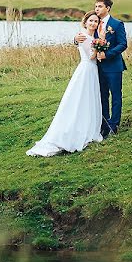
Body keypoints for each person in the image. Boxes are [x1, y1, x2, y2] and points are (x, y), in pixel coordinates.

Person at [26, 13, 104, 157]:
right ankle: (75, 132)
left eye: (96, 21)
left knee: (89, 99)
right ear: (85, 22)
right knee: (80, 99)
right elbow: (92, 56)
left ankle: (88, 126)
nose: (93, 23)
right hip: (86, 70)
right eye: (91, 21)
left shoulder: (93, 38)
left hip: (92, 71)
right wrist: (101, 45)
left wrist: (99, 43)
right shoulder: (84, 37)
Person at [74, 0, 127, 137]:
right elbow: (86, 37)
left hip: (114, 66)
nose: (97, 9)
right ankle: (104, 124)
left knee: (116, 95)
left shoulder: (116, 24)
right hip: (97, 67)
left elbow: (123, 44)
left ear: (107, 8)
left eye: (100, 6)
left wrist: (107, 54)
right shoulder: (94, 23)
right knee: (101, 96)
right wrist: (75, 39)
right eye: (96, 6)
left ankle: (114, 125)